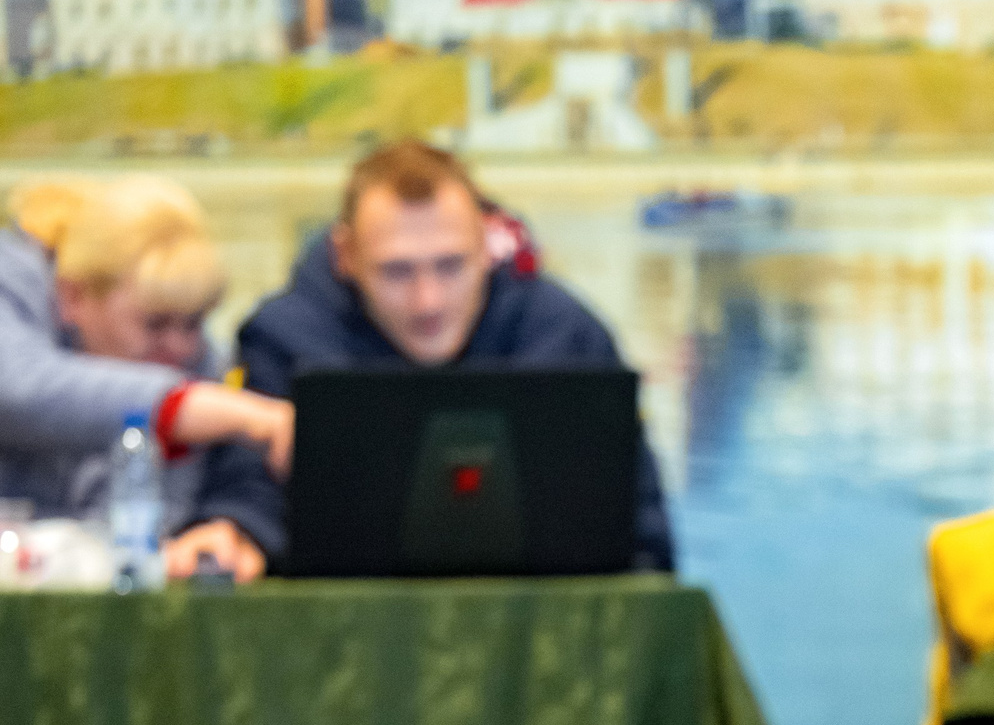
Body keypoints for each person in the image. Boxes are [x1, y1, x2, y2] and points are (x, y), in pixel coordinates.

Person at [188, 140, 673, 572]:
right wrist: (233, 533)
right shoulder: (283, 339)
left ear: (486, 246)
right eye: (397, 272)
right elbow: (245, 487)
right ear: (346, 257)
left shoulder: (566, 337)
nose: (429, 301)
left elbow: (640, 525)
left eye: (451, 265)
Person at [0, 177, 294, 574]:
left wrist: (223, 530)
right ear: (74, 298)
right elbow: (23, 389)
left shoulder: (203, 366)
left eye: (192, 324)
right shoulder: (16, 291)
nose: (180, 348)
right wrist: (200, 409)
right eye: (155, 325)